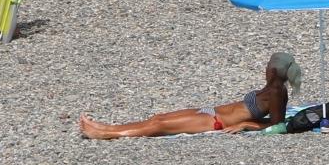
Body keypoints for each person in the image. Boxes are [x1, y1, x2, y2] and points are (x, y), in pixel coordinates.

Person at [80, 53, 297, 139]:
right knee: (158, 118)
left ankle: (107, 134)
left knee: (159, 126)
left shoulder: (277, 92)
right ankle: (107, 127)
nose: (266, 69)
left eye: (269, 67)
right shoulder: (270, 88)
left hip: (214, 121)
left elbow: (277, 125)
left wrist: (246, 125)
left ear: (275, 71)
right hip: (209, 111)